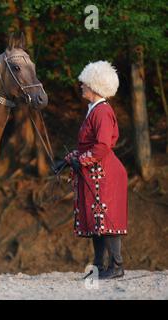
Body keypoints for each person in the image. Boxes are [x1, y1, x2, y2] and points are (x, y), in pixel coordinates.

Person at [64, 61, 128, 279]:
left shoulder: (102, 112)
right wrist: (73, 157)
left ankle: (117, 266)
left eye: (85, 83)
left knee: (107, 219)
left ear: (94, 86)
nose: (81, 85)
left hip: (106, 173)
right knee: (96, 221)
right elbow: (90, 144)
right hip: (95, 171)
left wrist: (81, 160)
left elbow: (102, 145)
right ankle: (99, 266)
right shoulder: (94, 110)